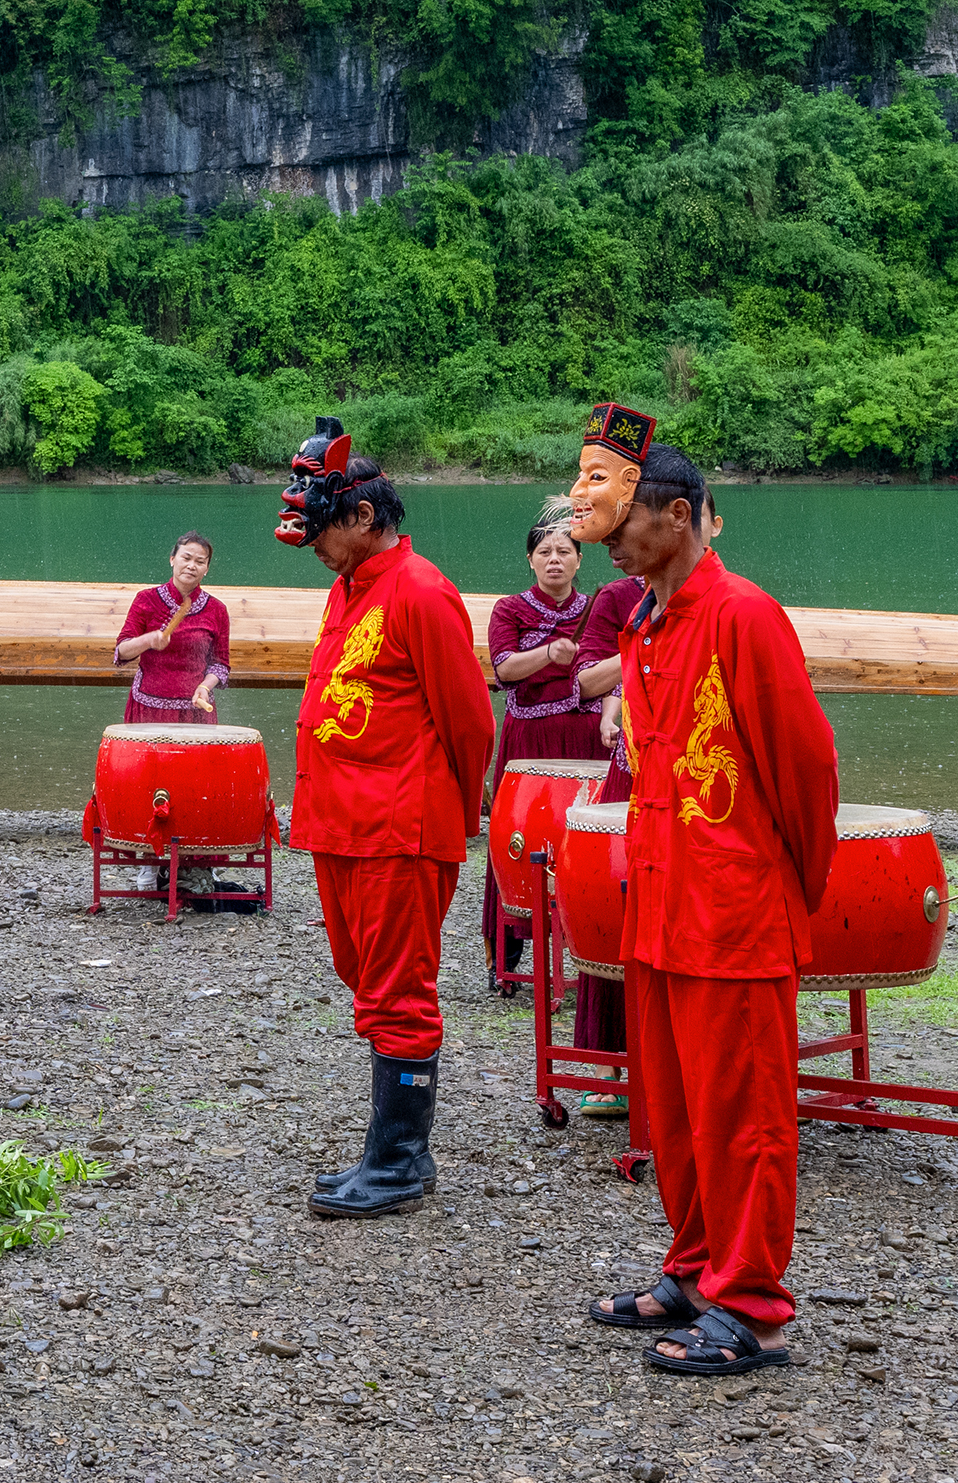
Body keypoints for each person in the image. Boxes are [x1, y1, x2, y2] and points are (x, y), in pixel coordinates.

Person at [591, 442, 839, 1379]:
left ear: (679, 514)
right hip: (662, 899)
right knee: (676, 1110)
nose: (609, 540)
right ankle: (697, 1270)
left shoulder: (744, 615)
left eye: (624, 521)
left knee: (745, 1115)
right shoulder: (644, 623)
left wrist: (778, 891)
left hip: (733, 908)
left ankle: (755, 1307)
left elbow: (806, 770)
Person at [285, 460, 495, 1219]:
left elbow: (470, 721)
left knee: (399, 989)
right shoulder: (347, 586)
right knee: (364, 975)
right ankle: (397, 1152)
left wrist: (450, 817)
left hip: (398, 826)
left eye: (323, 528)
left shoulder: (422, 590)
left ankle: (399, 1161)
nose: (314, 544)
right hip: (342, 822)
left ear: (364, 517)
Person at [490, 497, 637, 1043]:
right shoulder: (510, 609)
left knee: (586, 844)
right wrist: (550, 654)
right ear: (530, 560)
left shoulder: (599, 606)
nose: (554, 560)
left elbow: (614, 676)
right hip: (531, 739)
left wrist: (609, 716)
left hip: (590, 736)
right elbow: (505, 670)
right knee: (522, 840)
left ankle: (588, 943)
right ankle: (507, 950)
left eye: (564, 552)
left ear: (579, 559)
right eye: (545, 552)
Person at [110, 534, 236, 722]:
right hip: (148, 709)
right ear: (172, 560)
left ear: (206, 569)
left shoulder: (217, 609)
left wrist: (205, 687)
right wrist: (147, 640)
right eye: (186, 558)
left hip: (195, 710)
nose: (191, 566)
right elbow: (121, 652)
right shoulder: (146, 599)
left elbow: (220, 665)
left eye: (200, 562)